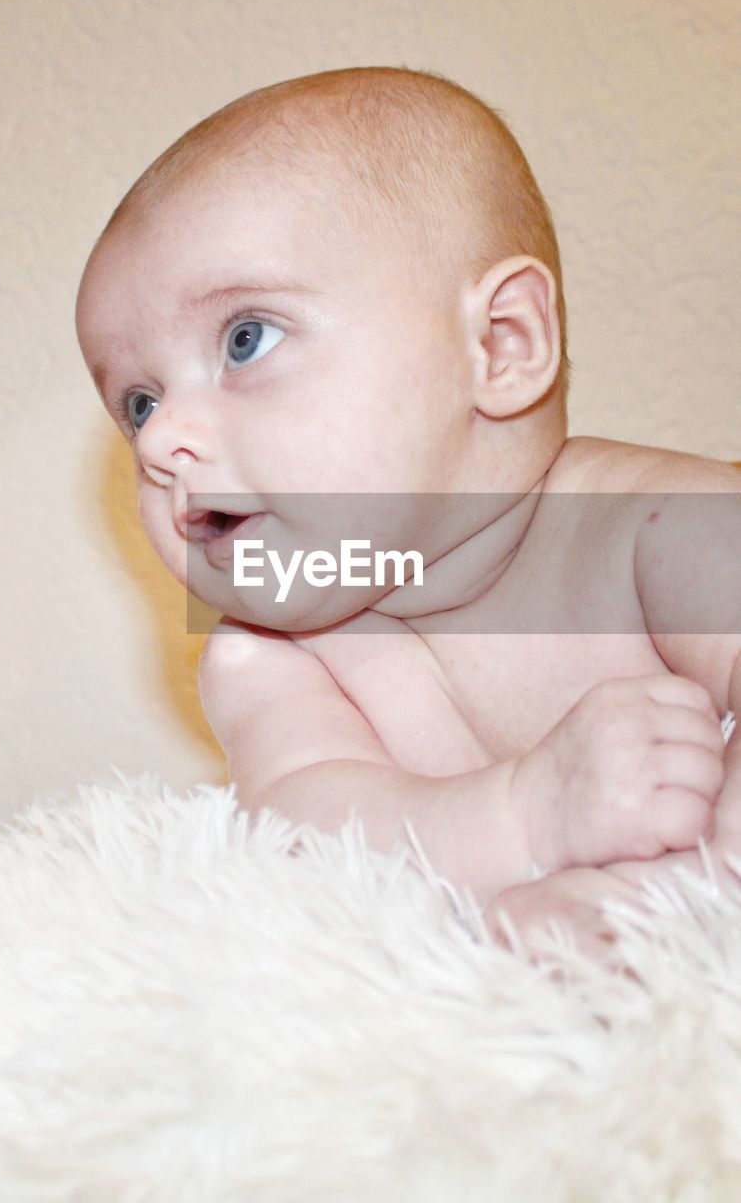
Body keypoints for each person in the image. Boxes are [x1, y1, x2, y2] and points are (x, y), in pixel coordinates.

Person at [75, 67, 740, 951]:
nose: (159, 446)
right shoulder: (268, 659)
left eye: (245, 339)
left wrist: (705, 881)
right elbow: (310, 841)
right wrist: (525, 820)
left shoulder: (650, 525)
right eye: (139, 403)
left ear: (500, 346)